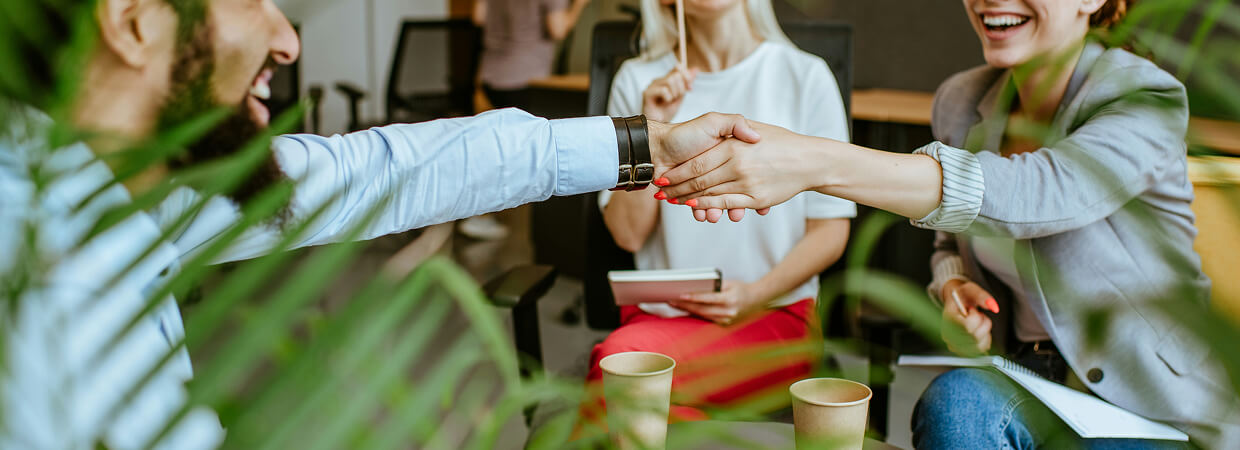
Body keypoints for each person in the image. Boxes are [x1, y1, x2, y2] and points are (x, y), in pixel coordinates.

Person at [0, 0, 761, 446]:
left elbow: (393, 166)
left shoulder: (118, 189)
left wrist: (647, 145)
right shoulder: (49, 293)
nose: (287, 39)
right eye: (250, 0)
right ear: (133, 23)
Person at [655, 0, 1239, 447]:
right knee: (956, 402)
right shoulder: (962, 100)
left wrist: (814, 161)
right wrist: (954, 285)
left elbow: (1037, 195)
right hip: (1034, 384)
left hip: (1155, 413)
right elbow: (947, 240)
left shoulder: (1146, 95)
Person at [584, 0, 853, 420]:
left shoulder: (806, 77)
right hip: (659, 317)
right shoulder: (638, 81)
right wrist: (649, 127)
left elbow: (831, 232)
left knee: (622, 378)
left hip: (772, 316)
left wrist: (754, 296)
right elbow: (627, 234)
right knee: (626, 381)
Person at [463, 0, 590, 240]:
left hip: (489, 76)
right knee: (533, 154)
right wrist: (579, 6)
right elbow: (558, 29)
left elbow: (479, 16)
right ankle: (543, 228)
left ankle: (480, 214)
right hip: (525, 78)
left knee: (494, 149)